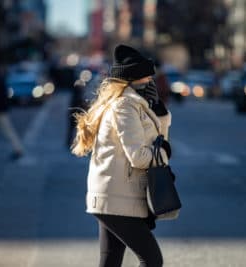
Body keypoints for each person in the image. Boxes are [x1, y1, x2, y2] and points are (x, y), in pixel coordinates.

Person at [71, 44, 172, 267]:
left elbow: (153, 142)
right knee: (152, 260)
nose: (150, 82)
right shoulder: (125, 106)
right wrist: (165, 152)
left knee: (110, 261)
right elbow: (140, 156)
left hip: (111, 196)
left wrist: (161, 118)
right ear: (132, 79)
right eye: (146, 77)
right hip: (117, 198)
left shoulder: (130, 103)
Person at [66, 79, 86, 148]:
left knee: (73, 130)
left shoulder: (76, 94)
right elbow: (79, 104)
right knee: (76, 130)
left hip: (74, 114)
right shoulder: (77, 95)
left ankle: (70, 142)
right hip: (76, 114)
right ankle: (71, 142)